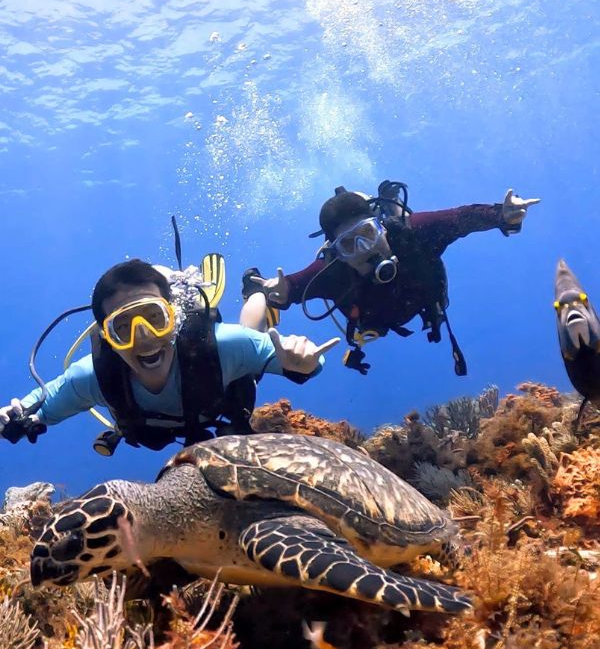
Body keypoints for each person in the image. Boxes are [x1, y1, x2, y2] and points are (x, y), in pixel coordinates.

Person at [0, 259, 339, 452]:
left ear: (173, 318)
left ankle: (255, 291)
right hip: (175, 419)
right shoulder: (94, 378)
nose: (144, 338)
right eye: (124, 327)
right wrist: (13, 417)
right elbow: (36, 406)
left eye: (154, 318)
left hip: (229, 385)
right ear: (107, 337)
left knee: (252, 330)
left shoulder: (225, 346)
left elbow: (311, 363)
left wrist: (304, 362)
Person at [242, 181, 540, 375]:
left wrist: (502, 215)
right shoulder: (332, 273)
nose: (364, 250)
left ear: (381, 228)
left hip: (423, 300)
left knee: (400, 221)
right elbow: (291, 287)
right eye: (349, 245)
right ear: (336, 252)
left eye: (369, 234)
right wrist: (271, 290)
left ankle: (389, 203)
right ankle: (382, 205)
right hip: (375, 320)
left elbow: (461, 218)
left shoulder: (413, 233)